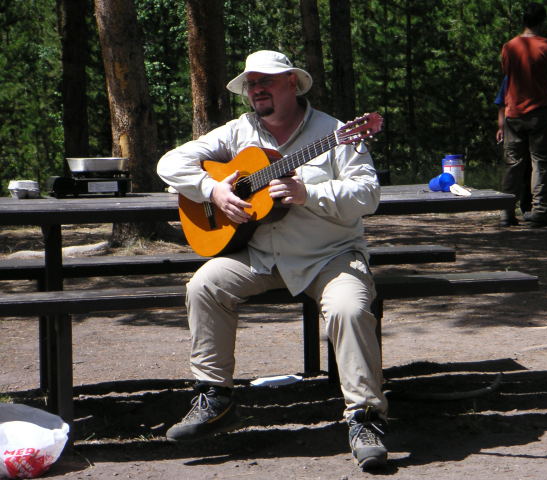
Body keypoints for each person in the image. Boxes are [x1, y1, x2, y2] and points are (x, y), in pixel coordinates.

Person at [156, 50, 388, 470]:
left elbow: (367, 195)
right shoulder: (238, 131)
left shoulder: (336, 133)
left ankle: (365, 418)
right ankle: (215, 398)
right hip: (261, 256)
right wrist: (213, 190)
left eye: (266, 80)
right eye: (251, 83)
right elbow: (169, 163)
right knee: (204, 285)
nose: (256, 89)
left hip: (329, 256)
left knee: (350, 309)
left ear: (292, 83)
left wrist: (308, 194)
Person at [499, 2, 547, 227]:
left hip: (513, 112)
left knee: (513, 163)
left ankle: (507, 212)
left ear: (523, 21)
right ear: (542, 22)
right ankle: (540, 210)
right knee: (541, 163)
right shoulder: (545, 46)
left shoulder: (509, 47)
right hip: (539, 111)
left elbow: (507, 73)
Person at [495, 75, 547, 218]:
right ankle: (532, 209)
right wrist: (501, 126)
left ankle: (545, 209)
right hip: (528, 130)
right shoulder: (512, 77)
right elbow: (502, 103)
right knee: (531, 169)